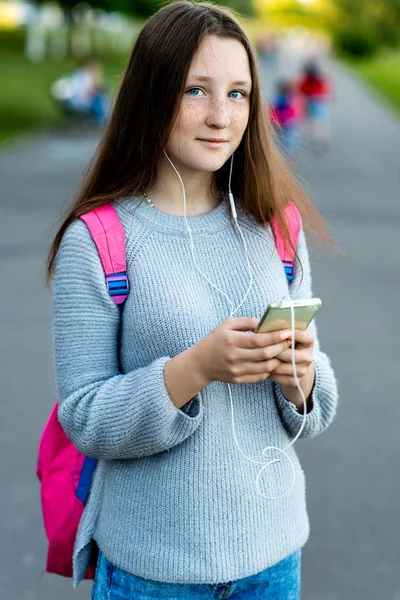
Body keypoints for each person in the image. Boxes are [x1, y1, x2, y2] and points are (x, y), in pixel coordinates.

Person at [46, 2, 338, 598]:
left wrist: (302, 375)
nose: (219, 116)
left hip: (274, 557)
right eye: (195, 90)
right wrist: (194, 370)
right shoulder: (100, 240)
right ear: (152, 96)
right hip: (150, 570)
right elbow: (84, 416)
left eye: (237, 94)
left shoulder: (274, 224)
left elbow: (316, 408)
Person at [50, 58, 109, 124]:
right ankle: (102, 120)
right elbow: (90, 91)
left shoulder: (78, 75)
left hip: (73, 101)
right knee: (100, 99)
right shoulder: (87, 77)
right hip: (82, 103)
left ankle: (103, 119)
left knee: (100, 99)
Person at [296, 61, 333, 152]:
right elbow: (327, 92)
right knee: (322, 123)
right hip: (321, 103)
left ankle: (314, 140)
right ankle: (322, 140)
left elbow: (300, 91)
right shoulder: (321, 80)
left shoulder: (305, 81)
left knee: (312, 123)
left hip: (309, 103)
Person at [269, 80, 304, 159]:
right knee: (292, 139)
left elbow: (272, 112)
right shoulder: (293, 99)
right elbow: (297, 111)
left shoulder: (276, 99)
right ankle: (291, 155)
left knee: (283, 141)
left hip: (280, 123)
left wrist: (272, 122)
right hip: (291, 123)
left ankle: (287, 155)